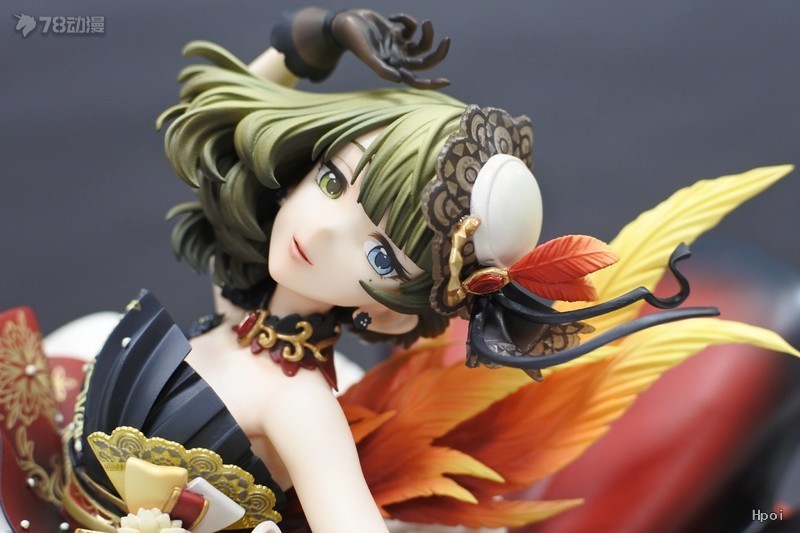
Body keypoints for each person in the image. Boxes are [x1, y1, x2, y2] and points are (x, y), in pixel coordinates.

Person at [0, 7, 795, 533]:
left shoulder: (299, 403)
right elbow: (219, 130)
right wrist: (311, 38)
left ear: (390, 307)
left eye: (380, 254)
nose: (319, 230)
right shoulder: (242, 303)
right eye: (332, 180)